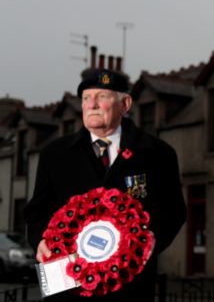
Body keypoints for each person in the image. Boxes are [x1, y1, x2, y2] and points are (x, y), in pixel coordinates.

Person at [24, 69, 187, 301]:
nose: (92, 104)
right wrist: (40, 240)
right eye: (86, 98)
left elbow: (174, 211)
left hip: (128, 281)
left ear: (125, 103)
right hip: (64, 278)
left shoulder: (158, 154)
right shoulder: (54, 154)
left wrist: (152, 238)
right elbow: (37, 211)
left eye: (102, 96)